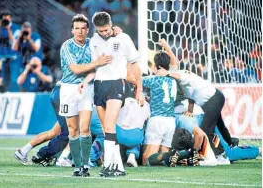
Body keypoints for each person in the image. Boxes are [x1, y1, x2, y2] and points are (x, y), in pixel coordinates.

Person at [156, 39, 233, 165]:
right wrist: (166, 47)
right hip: (213, 98)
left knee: (206, 130)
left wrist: (167, 72)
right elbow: (190, 93)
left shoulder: (180, 77)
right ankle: (231, 144)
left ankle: (222, 156)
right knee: (220, 126)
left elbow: (180, 77)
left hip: (213, 99)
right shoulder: (176, 75)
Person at [90, 11, 145, 177]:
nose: (104, 33)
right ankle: (118, 167)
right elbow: (95, 66)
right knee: (107, 130)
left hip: (116, 84)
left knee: (109, 125)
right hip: (99, 86)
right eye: (101, 31)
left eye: (106, 29)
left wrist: (139, 90)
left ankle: (108, 165)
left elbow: (135, 65)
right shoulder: (93, 41)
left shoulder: (123, 38)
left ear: (111, 24)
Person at [59, 14, 113, 177]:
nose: (80, 32)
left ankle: (85, 166)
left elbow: (108, 38)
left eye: (83, 28)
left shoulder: (92, 44)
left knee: (85, 129)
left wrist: (116, 31)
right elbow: (75, 69)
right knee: (72, 130)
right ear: (72, 30)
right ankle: (76, 166)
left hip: (87, 88)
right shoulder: (66, 46)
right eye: (77, 28)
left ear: (88, 30)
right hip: (68, 89)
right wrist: (96, 63)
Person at [13, 83, 69, 166]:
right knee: (73, 131)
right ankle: (61, 158)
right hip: (67, 93)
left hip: (60, 91)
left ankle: (23, 151)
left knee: (53, 132)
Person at [0, 10, 20, 91]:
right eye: (3, 16)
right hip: (3, 57)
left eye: (6, 15)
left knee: (14, 80)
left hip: (13, 57)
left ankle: (15, 95)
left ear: (10, 17)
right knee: (4, 80)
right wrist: (0, 28)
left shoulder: (16, 27)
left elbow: (14, 42)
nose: (5, 17)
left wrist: (8, 29)